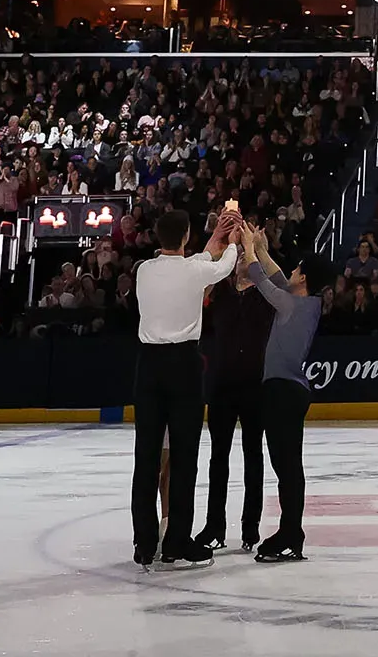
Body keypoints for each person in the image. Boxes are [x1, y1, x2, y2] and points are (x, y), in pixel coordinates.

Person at [130, 206, 239, 570]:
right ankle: (176, 540)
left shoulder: (143, 271)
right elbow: (217, 267)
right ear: (187, 236)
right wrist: (234, 241)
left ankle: (144, 543)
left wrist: (217, 238)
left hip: (148, 366)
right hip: (183, 367)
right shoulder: (195, 269)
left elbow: (199, 262)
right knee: (184, 455)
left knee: (146, 456)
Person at [239, 223, 334, 563]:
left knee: (287, 467)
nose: (291, 271)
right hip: (285, 391)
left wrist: (250, 249)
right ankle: (291, 530)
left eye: (297, 269)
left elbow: (264, 284)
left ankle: (291, 531)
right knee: (288, 466)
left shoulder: (296, 306)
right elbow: (279, 280)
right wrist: (263, 249)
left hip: (283, 392)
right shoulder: (301, 303)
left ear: (305, 278)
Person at [195, 222, 276, 553]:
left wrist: (258, 248)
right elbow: (197, 283)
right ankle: (214, 526)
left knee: (254, 456)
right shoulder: (221, 291)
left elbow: (278, 279)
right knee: (219, 458)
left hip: (255, 386)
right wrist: (221, 242)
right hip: (223, 385)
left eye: (246, 253)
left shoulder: (267, 294)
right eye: (240, 253)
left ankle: (251, 526)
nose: (242, 257)